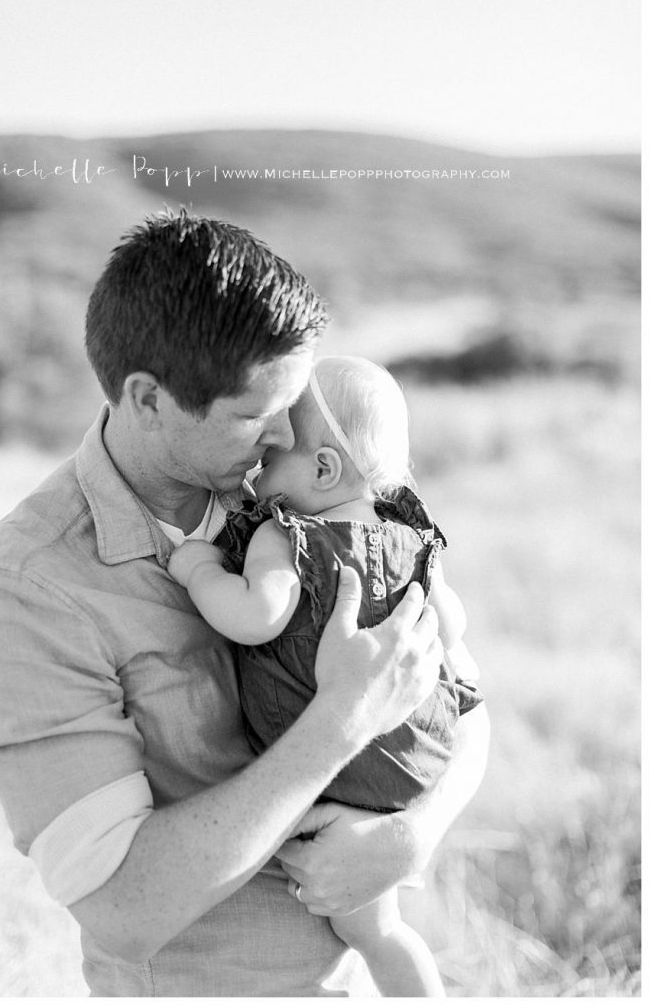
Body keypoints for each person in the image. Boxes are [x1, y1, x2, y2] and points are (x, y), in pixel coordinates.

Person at [0, 210, 489, 996]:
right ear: (147, 399)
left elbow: (460, 694)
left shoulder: (306, 496)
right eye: (254, 414)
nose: (285, 437)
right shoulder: (29, 590)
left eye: (294, 403)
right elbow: (122, 906)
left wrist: (414, 834)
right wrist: (339, 724)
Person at [167, 354, 483, 996]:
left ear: (322, 469)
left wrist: (199, 570)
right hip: (412, 763)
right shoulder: (415, 542)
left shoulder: (287, 535)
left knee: (362, 926)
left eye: (272, 459)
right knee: (383, 932)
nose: (258, 474)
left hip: (338, 768)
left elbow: (257, 616)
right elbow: (450, 629)